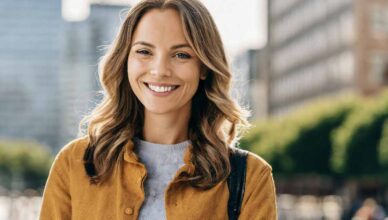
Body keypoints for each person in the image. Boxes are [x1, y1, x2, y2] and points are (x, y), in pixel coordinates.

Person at [39, 0, 277, 219]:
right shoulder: (74, 163)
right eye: (144, 52)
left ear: (204, 67)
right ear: (125, 60)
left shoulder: (250, 178)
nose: (160, 69)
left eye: (181, 55)